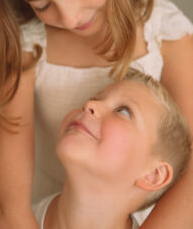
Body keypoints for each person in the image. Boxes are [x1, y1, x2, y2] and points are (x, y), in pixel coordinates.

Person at [0, 0, 193, 228]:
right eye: (41, 5)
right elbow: (7, 206)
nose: (71, 18)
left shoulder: (165, 34)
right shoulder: (24, 48)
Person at [33, 69, 191, 229]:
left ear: (152, 175)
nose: (90, 105)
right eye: (91, 99)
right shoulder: (13, 219)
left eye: (123, 111)